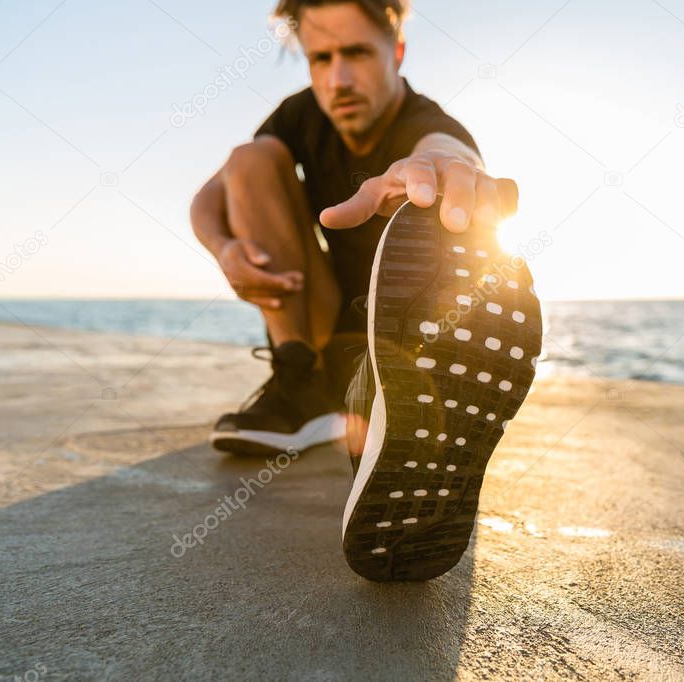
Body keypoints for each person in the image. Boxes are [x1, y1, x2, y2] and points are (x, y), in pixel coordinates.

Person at [190, 0, 517, 456]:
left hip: (404, 343)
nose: (338, 80)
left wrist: (441, 166)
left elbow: (450, 151)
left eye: (358, 53)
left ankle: (417, 397)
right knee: (250, 157)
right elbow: (209, 197)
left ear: (397, 51)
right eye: (321, 59)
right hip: (320, 325)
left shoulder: (426, 123)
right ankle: (300, 381)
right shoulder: (299, 115)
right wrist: (225, 249)